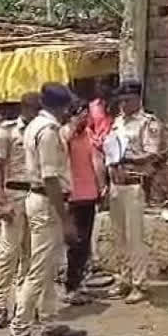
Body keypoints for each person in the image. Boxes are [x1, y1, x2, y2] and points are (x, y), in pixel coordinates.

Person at [7, 83, 87, 336]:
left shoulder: (35, 125)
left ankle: (49, 323)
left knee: (50, 267)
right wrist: (65, 220)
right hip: (48, 202)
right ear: (63, 106)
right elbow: (51, 178)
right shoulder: (49, 132)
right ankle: (18, 332)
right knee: (39, 271)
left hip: (40, 199)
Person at [106, 79, 164, 304]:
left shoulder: (148, 123)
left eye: (127, 100)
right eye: (121, 100)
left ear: (138, 99)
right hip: (116, 184)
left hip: (134, 183)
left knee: (135, 237)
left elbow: (151, 154)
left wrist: (125, 159)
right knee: (118, 236)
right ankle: (123, 278)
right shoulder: (118, 121)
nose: (123, 104)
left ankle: (139, 283)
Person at [0, 92, 42, 329]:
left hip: (38, 195)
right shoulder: (7, 131)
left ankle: (24, 305)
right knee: (8, 254)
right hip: (14, 194)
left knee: (31, 254)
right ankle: (0, 305)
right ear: (24, 107)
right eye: (32, 107)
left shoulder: (43, 132)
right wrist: (1, 200)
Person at [62, 97, 106, 305]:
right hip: (70, 195)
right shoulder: (64, 134)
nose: (84, 118)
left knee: (84, 242)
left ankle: (79, 283)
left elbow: (97, 162)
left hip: (88, 195)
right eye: (80, 114)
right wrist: (73, 127)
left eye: (86, 114)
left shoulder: (89, 135)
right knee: (74, 243)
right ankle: (71, 285)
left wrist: (101, 186)